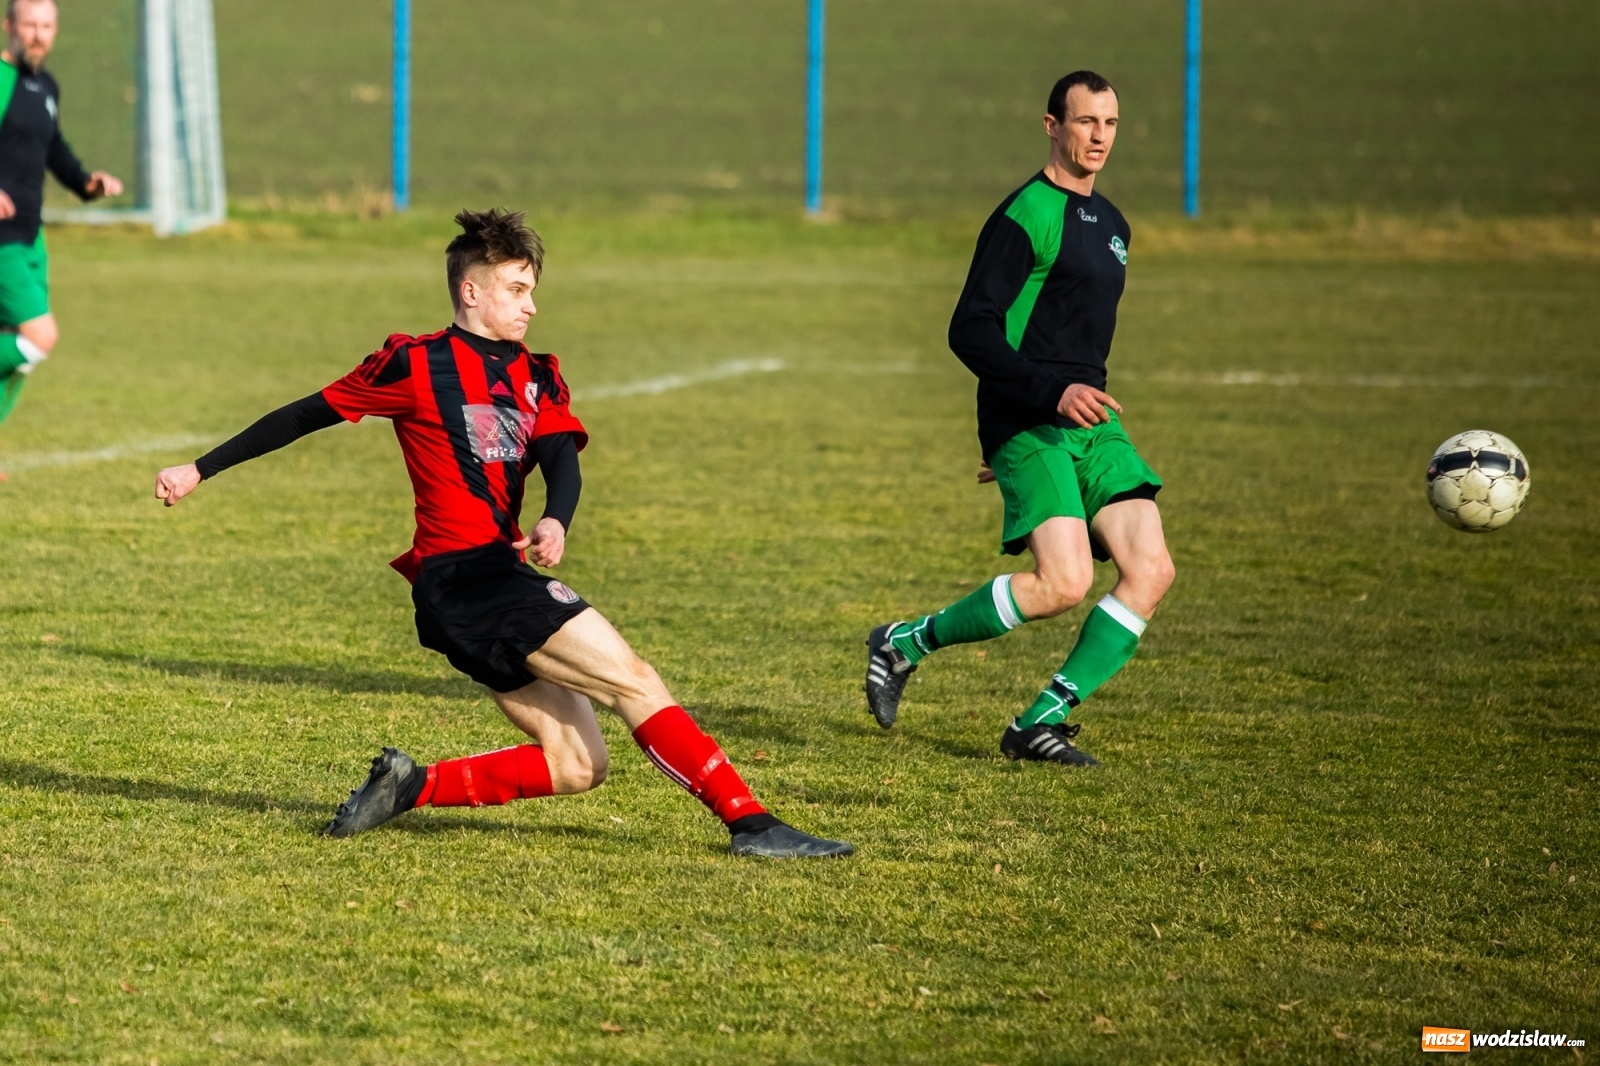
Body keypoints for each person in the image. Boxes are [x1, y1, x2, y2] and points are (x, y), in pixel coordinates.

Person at [155, 209, 852, 859]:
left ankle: (409, 786)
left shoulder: (536, 374)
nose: (531, 304)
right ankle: (751, 823)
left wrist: (556, 517)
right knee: (633, 680)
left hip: (493, 577)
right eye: (517, 289)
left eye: (533, 289)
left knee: (579, 764)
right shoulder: (415, 363)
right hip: (463, 578)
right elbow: (304, 415)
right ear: (470, 292)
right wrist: (199, 468)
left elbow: (561, 462)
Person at [864, 71, 1175, 767]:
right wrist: (1025, 413)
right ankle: (903, 643)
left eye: (1111, 124)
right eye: (1086, 121)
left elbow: (1073, 336)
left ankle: (1040, 722)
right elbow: (969, 330)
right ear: (1051, 125)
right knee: (1063, 584)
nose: (1099, 136)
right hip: (1035, 419)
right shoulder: (1024, 215)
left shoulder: (1115, 226)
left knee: (1150, 569)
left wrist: (1063, 409)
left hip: (1090, 425)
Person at [0, 0, 123, 428]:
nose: (38, 34)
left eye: (46, 26)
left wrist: (87, 183)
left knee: (17, 352)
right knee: (38, 338)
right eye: (29, 24)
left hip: (30, 237)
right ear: (8, 26)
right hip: (2, 242)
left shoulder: (46, 85)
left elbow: (53, 149)